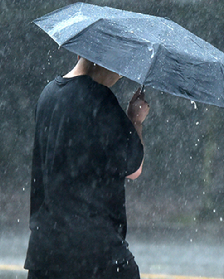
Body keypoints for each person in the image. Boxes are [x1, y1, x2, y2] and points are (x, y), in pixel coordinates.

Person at [24, 56, 149, 279]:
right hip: (96, 252)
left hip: (45, 251)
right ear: (102, 59)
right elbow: (134, 167)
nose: (119, 76)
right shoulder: (100, 99)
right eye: (119, 69)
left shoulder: (48, 95)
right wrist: (135, 119)